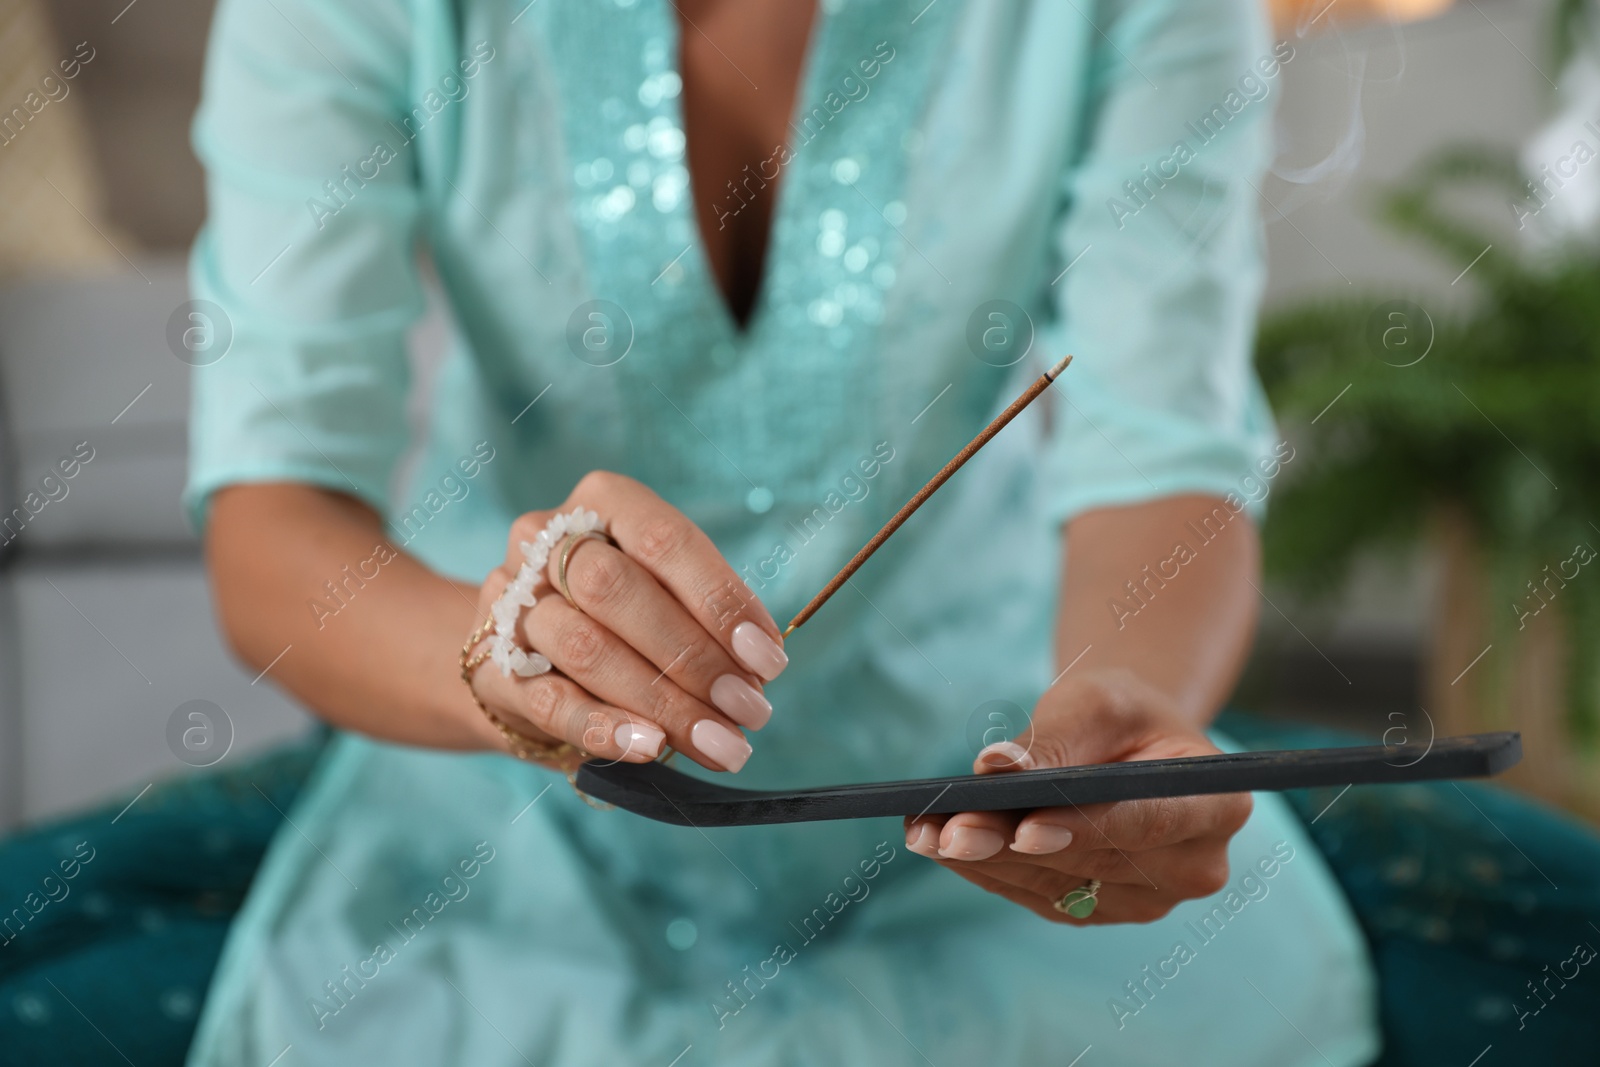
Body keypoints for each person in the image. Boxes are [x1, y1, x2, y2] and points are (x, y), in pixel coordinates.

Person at [182, 0, 1381, 1063]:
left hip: (990, 794)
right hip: (496, 823)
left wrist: (1116, 723)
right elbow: (274, 511)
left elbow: (1164, 449)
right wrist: (501, 658)